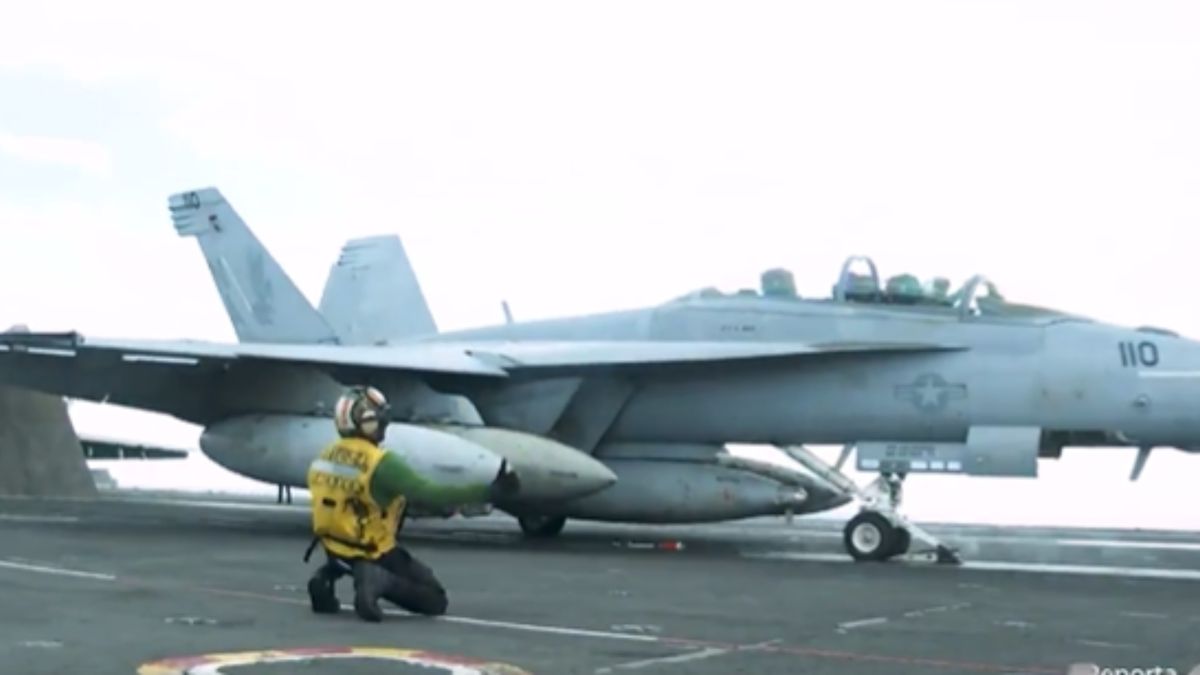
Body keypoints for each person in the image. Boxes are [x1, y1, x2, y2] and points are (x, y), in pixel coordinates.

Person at [304, 384, 519, 622]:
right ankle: (378, 580)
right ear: (369, 423)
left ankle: (327, 575)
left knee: (352, 535)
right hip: (371, 551)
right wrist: (489, 491)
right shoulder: (382, 464)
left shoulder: (326, 454)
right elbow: (430, 493)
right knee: (435, 600)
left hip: (334, 545)